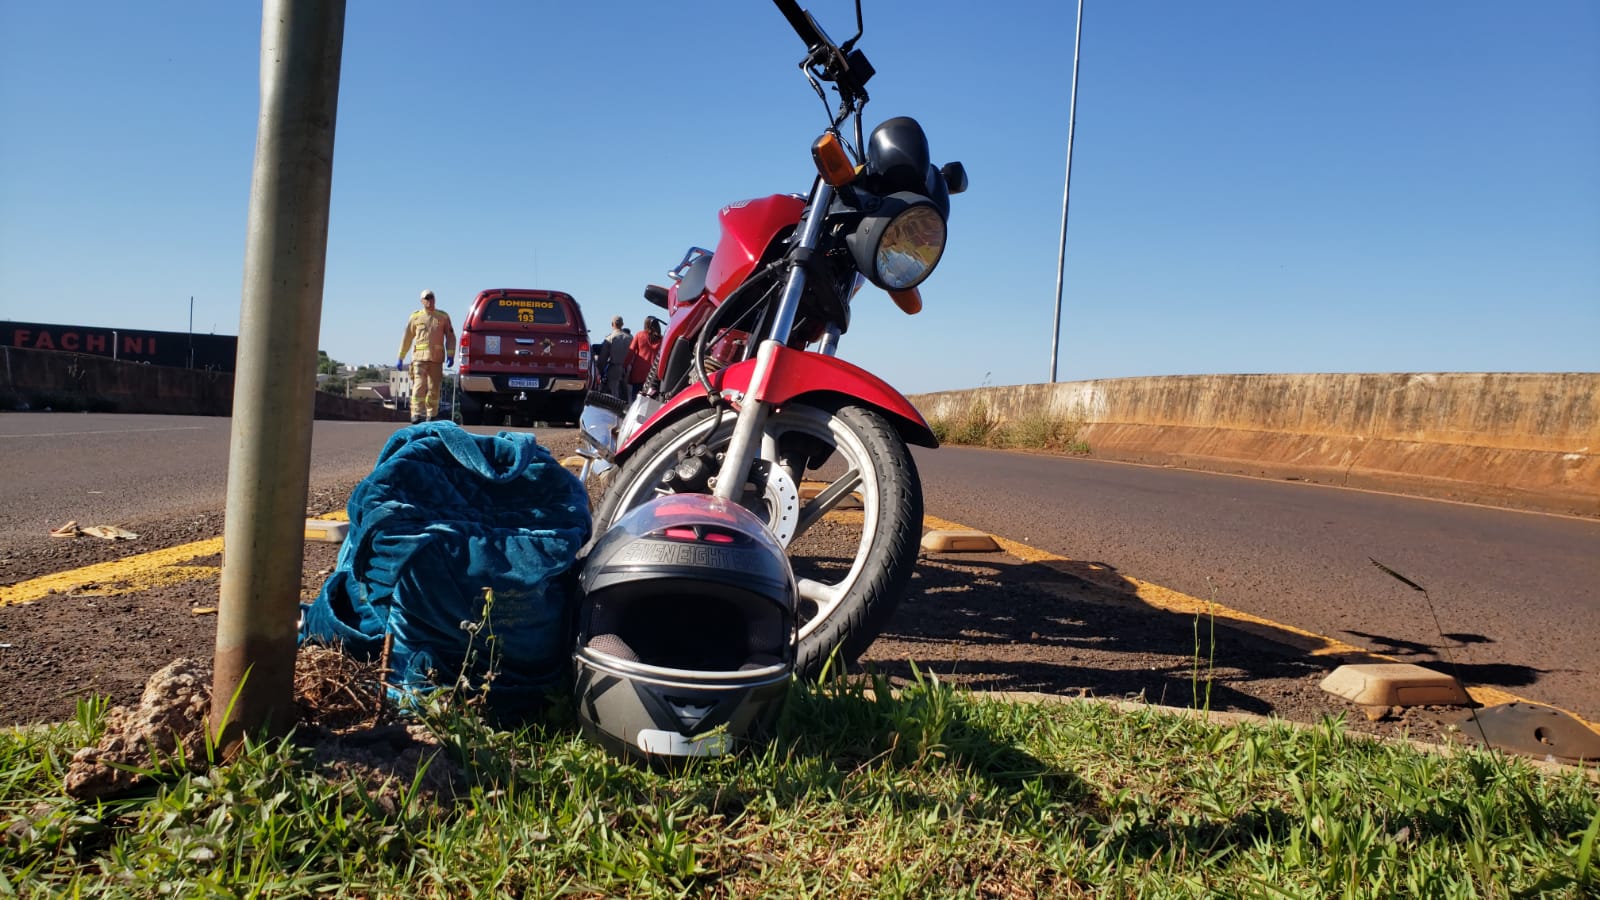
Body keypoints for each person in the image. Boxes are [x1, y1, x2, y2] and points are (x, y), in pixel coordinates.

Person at [396, 289, 455, 424]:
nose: (429, 301)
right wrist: (401, 356)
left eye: (431, 298)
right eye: (426, 299)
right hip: (419, 359)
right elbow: (407, 338)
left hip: (436, 359)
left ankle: (431, 414)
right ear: (422, 301)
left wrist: (451, 354)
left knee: (434, 388)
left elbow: (451, 337)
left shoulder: (443, 317)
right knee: (419, 385)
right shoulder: (415, 317)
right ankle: (416, 413)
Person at [626, 316, 663, 401]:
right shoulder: (662, 339)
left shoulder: (640, 335)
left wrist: (624, 366)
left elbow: (630, 353)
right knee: (651, 401)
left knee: (636, 399)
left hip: (638, 374)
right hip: (654, 376)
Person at [601, 315, 631, 399]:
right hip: (628, 368)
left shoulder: (610, 338)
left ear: (612, 324)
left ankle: (616, 411)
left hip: (614, 368)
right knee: (628, 393)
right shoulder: (630, 338)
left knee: (614, 393)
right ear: (623, 324)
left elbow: (603, 358)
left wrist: (600, 370)